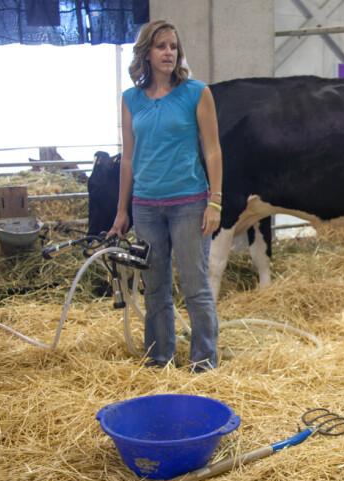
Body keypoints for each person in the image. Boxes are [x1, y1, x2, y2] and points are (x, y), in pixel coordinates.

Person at [108, 20, 223, 372]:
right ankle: (160, 360)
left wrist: (215, 202)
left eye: (173, 46)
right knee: (155, 290)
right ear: (146, 53)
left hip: (189, 203)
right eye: (160, 46)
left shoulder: (196, 93)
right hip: (145, 208)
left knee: (195, 287)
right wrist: (121, 211)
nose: (169, 53)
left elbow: (213, 150)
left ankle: (203, 364)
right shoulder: (130, 100)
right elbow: (128, 158)